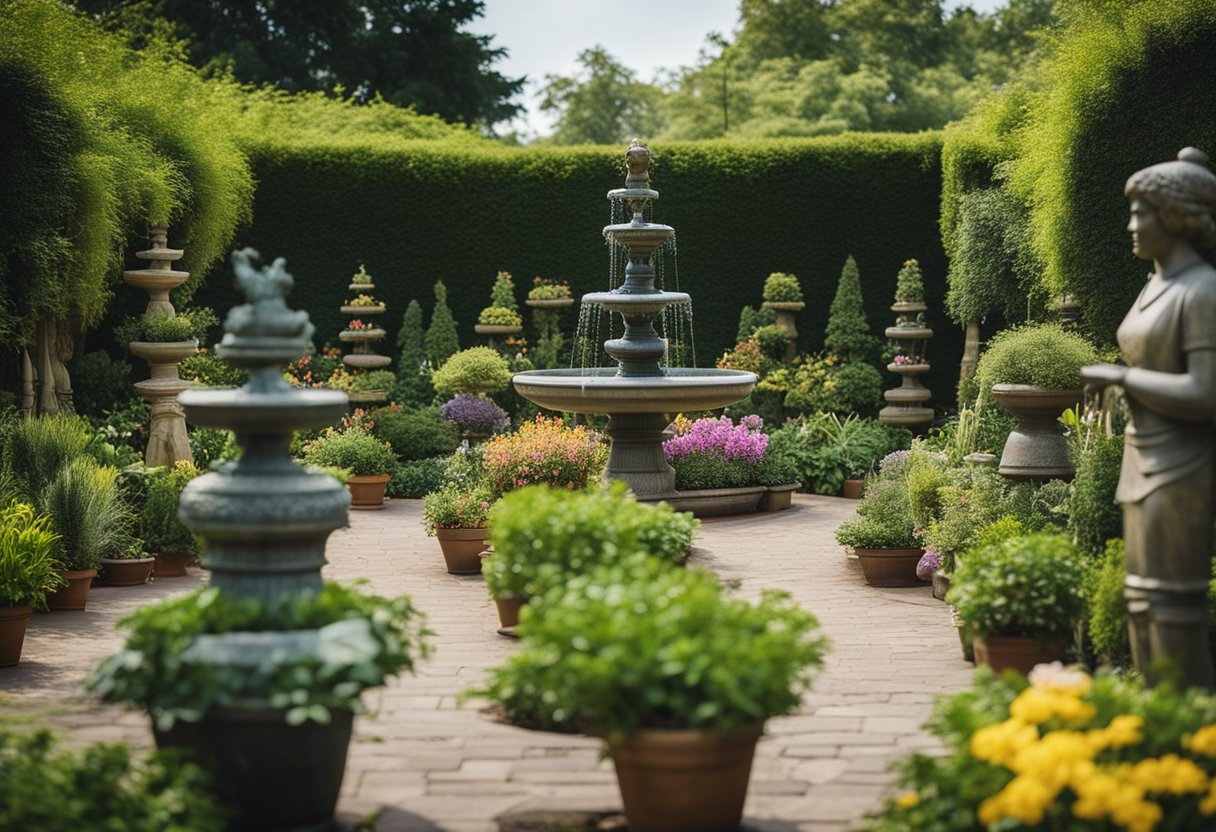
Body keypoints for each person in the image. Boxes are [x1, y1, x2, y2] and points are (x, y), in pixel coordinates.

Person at [1081, 147, 1216, 689]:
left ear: (1178, 217)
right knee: (1140, 600)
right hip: (1143, 456)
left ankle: (1194, 738)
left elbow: (1206, 392)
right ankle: (1152, 731)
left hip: (1184, 463)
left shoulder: (1203, 290)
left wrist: (1122, 379)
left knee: (1172, 607)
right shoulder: (1155, 285)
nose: (1131, 224)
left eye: (1143, 212)